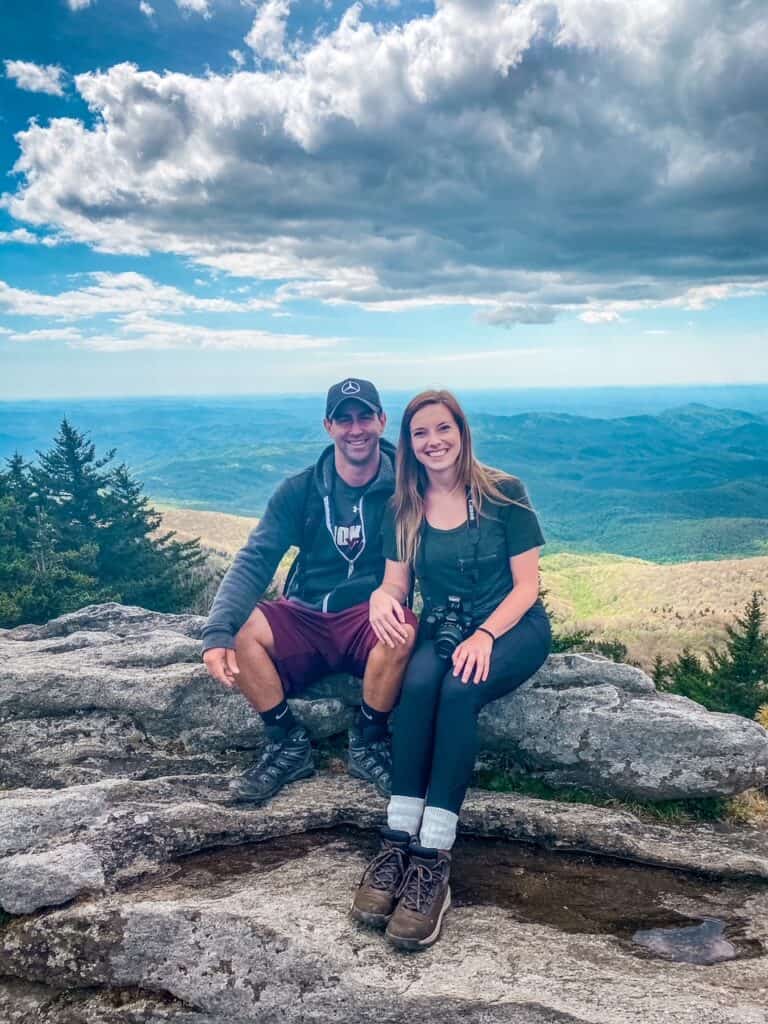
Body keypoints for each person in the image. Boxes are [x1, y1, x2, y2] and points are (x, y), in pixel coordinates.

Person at [351, 389, 551, 950]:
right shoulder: (405, 506)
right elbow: (397, 582)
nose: (433, 441)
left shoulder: (505, 494)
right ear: (409, 444)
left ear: (461, 433)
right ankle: (396, 843)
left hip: (511, 627)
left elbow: (527, 586)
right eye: (420, 433)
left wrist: (487, 635)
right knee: (416, 687)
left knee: (459, 693)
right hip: (443, 625)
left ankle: (433, 858)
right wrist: (380, 600)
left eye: (443, 429)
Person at [202, 379, 417, 805]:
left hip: (365, 618)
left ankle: (369, 741)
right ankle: (286, 741)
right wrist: (217, 631)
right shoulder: (299, 491)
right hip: (305, 615)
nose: (355, 429)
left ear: (381, 421)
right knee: (243, 628)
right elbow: (256, 558)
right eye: (343, 419)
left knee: (403, 629)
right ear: (328, 426)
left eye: (364, 417)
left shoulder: (407, 486)